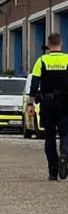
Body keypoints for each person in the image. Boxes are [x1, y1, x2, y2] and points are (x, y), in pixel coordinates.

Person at [27, 32, 68, 181]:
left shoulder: (41, 60)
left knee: (49, 136)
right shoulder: (67, 59)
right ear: (61, 44)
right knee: (65, 134)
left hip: (47, 103)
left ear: (49, 46)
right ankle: (65, 154)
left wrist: (30, 104)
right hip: (65, 103)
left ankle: (53, 171)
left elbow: (34, 84)